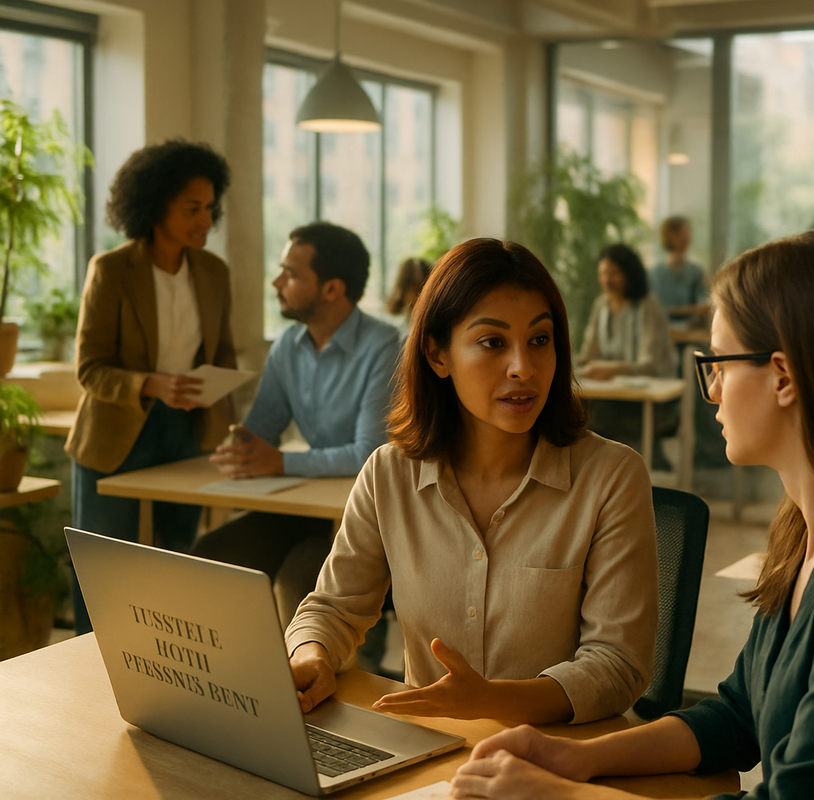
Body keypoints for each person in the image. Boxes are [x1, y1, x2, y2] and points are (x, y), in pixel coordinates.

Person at [449, 231, 814, 799]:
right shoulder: (807, 530)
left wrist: (561, 797)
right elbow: (737, 716)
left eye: (718, 362)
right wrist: (572, 758)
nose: (713, 390)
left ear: (784, 376)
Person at [285, 237, 658, 725]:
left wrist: (491, 702)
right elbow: (334, 608)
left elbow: (618, 665)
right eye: (493, 342)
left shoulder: (611, 477)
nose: (523, 367)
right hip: (429, 755)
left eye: (540, 340)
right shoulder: (388, 473)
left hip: (559, 759)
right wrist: (311, 655)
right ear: (438, 356)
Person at [67, 140, 235, 635]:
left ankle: (170, 675)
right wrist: (149, 384)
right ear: (154, 205)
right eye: (192, 208)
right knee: (106, 571)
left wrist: (214, 388)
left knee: (177, 563)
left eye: (209, 207)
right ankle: (89, 675)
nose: (205, 219)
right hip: (117, 433)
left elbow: (222, 353)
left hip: (186, 431)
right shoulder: (112, 270)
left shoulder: (214, 272)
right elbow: (90, 368)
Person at [194, 222, 400, 626]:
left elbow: (367, 455)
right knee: (211, 554)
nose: (276, 282)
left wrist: (280, 463)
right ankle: (228, 678)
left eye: (291, 273)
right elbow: (259, 435)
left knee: (301, 578)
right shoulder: (288, 345)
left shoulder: (386, 346)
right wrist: (237, 447)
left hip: (369, 515)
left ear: (332, 289)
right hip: (309, 506)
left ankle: (320, 681)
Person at [577, 244, 677, 466]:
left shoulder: (647, 306)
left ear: (629, 274)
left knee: (590, 419)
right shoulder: (600, 306)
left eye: (613, 273)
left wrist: (611, 369)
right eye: (603, 273)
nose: (607, 279)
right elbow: (587, 355)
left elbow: (649, 365)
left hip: (650, 400)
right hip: (612, 396)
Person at [647, 216, 709, 327]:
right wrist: (688, 310)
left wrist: (675, 310)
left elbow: (704, 306)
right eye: (683, 233)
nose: (688, 238)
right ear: (670, 236)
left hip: (691, 331)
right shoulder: (654, 274)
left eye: (688, 233)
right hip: (662, 330)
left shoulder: (695, 271)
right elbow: (653, 309)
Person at [386, 255, 433, 346]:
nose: (415, 294)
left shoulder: (431, 331)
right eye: (412, 286)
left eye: (419, 287)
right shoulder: (395, 327)